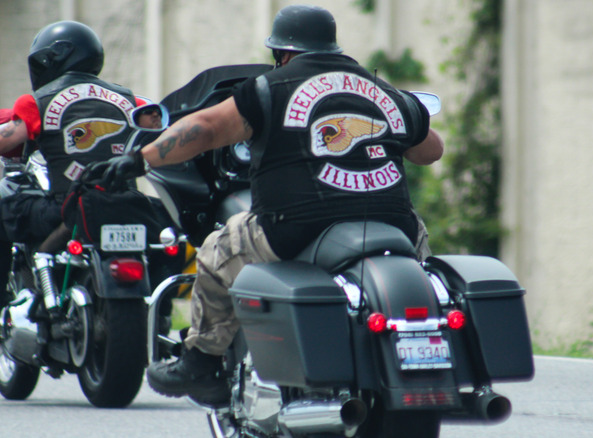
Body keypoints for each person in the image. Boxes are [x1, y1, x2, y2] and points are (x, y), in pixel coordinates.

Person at [101, 4, 443, 405]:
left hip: (298, 224)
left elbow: (206, 128)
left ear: (281, 52)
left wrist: (140, 159)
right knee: (424, 263)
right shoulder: (381, 90)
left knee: (216, 251)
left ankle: (201, 361)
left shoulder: (269, 88)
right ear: (333, 48)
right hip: (394, 224)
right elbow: (430, 151)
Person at [0, 20, 144, 342]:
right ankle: (162, 316)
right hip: (127, 205)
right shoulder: (129, 99)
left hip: (67, 207)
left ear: (49, 60)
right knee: (165, 242)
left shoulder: (38, 101)